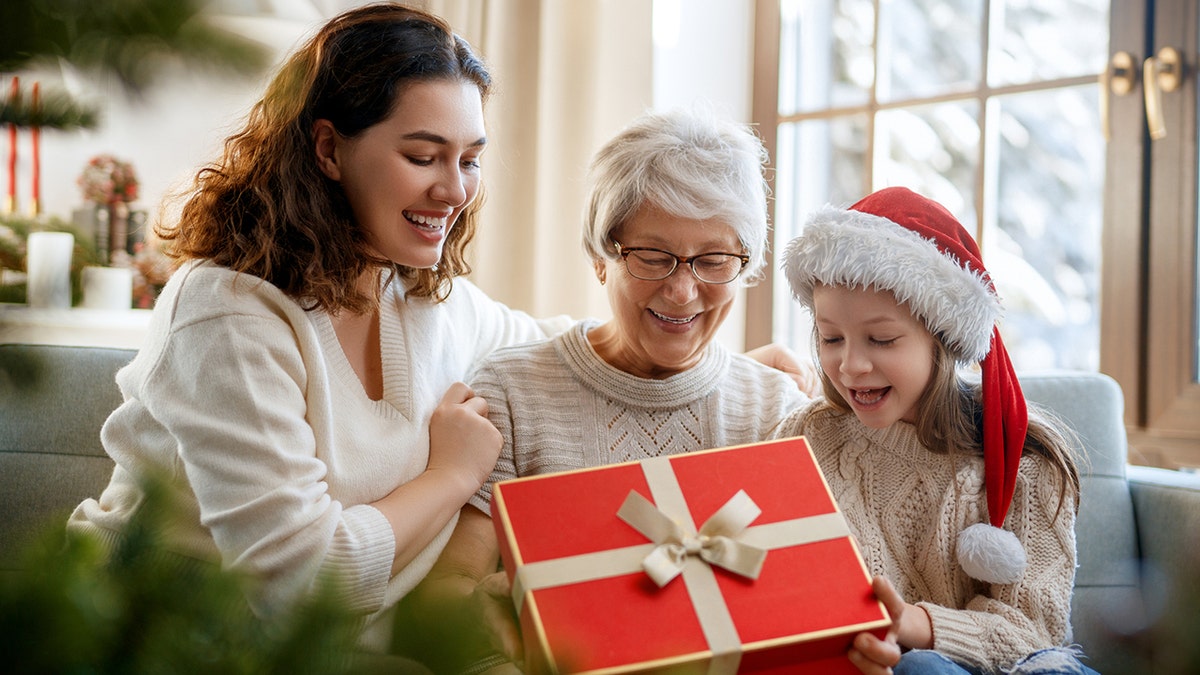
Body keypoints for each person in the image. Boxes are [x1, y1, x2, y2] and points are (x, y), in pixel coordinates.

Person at [66, 3, 573, 654]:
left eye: (470, 160)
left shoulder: (418, 292)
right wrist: (451, 474)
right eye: (424, 156)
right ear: (329, 149)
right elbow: (301, 577)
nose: (454, 190)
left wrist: (739, 360)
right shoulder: (227, 311)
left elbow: (570, 349)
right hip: (143, 638)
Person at [404, 107, 815, 673]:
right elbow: (447, 592)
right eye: (653, 256)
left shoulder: (778, 411)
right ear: (602, 258)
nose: (682, 290)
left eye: (714, 260)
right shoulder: (513, 393)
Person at [775, 187, 1098, 675]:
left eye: (881, 339)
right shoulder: (808, 439)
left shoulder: (1026, 463)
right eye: (830, 337)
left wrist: (913, 623)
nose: (851, 365)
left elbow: (1036, 633)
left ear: (942, 344)